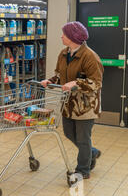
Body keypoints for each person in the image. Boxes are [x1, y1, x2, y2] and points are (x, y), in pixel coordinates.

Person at [41, 21, 104, 179]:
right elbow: (59, 75)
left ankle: (83, 170)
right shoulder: (64, 53)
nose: (61, 36)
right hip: (68, 103)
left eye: (64, 34)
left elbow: (96, 83)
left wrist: (76, 83)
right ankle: (92, 152)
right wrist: (50, 81)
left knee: (83, 138)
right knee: (69, 133)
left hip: (85, 106)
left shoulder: (90, 57)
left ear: (72, 37)